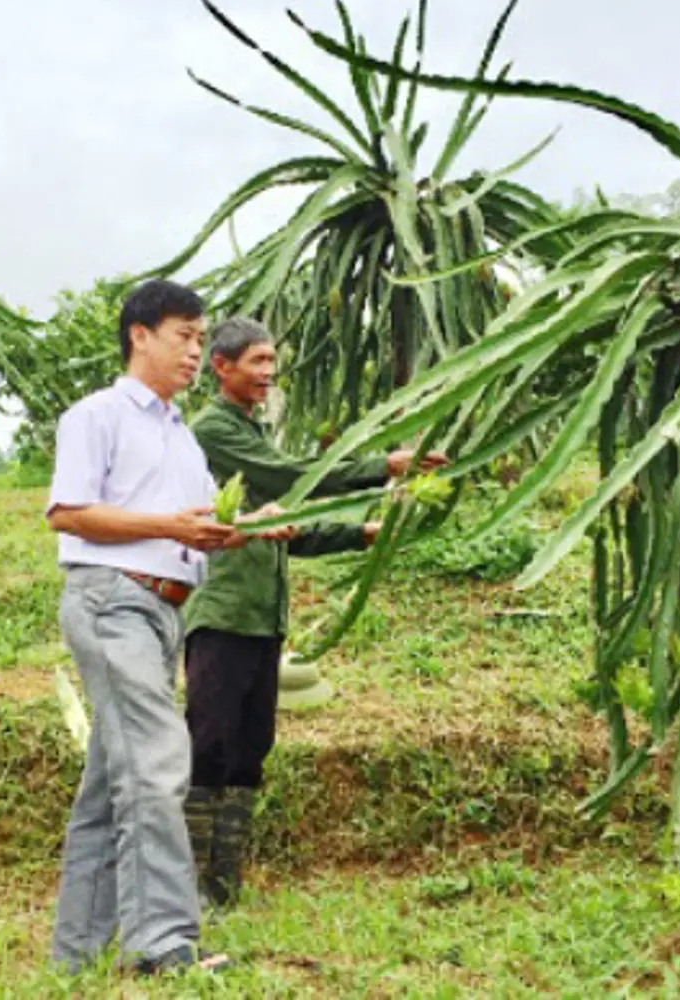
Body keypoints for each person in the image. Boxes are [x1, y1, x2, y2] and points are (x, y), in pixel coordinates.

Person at [44, 281, 288, 976]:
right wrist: (171, 527)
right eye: (184, 335)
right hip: (111, 601)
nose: (194, 350)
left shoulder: (180, 436)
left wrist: (234, 534)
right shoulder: (98, 416)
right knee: (156, 767)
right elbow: (69, 512)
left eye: (197, 335)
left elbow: (192, 527)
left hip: (162, 612)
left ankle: (77, 955)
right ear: (139, 336)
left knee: (113, 781)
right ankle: (162, 949)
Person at [180, 316, 447, 907]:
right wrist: (384, 466)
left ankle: (222, 885)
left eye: (272, 362)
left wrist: (366, 533)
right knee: (211, 744)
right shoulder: (215, 431)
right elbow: (292, 478)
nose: (268, 374)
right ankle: (189, 881)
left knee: (251, 747)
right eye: (256, 362)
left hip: (262, 615)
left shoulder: (249, 434)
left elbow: (287, 530)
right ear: (220, 367)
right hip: (222, 610)